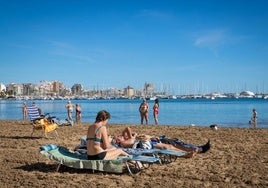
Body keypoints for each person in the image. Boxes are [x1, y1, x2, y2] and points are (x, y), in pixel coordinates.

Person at [113, 127, 210, 158]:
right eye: (119, 137)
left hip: (148, 143)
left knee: (170, 146)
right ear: (118, 141)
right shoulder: (123, 143)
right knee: (168, 146)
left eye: (121, 136)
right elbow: (128, 129)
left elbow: (127, 130)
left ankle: (188, 152)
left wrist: (130, 136)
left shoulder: (127, 140)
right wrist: (132, 136)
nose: (121, 136)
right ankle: (187, 153)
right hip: (146, 145)